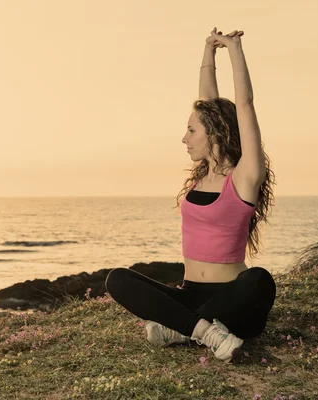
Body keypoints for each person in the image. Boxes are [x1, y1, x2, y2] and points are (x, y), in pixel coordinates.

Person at [104, 27, 277, 363]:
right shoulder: (204, 175)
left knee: (260, 281)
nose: (185, 138)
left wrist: (235, 49)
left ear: (214, 133)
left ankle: (180, 328)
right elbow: (209, 104)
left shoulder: (243, 177)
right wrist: (208, 52)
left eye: (192, 130)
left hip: (233, 300)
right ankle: (202, 331)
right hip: (190, 295)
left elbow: (244, 105)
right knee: (118, 280)